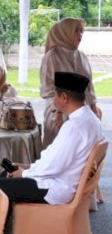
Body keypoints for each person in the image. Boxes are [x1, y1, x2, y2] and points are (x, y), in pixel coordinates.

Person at [0, 72, 104, 205]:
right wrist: (28, 167)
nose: (53, 100)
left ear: (64, 97)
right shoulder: (91, 119)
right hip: (64, 182)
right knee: (5, 175)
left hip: (56, 188)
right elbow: (56, 160)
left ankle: (2, 225)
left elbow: (55, 165)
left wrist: (24, 173)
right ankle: (14, 224)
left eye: (54, 95)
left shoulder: (74, 126)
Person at [40, 18, 103, 148]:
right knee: (58, 152)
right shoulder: (52, 56)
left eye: (82, 31)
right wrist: (57, 112)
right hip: (58, 114)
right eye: (76, 30)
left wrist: (93, 106)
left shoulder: (82, 57)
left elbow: (89, 86)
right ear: (65, 32)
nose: (80, 35)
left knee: (81, 152)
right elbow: (48, 89)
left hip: (81, 113)